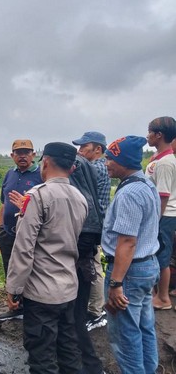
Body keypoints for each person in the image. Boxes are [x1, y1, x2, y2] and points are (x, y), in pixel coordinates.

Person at [6, 142, 88, 374]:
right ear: (71, 167)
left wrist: (14, 288)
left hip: (42, 293)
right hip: (68, 288)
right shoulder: (79, 197)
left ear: (46, 162)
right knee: (68, 350)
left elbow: (23, 248)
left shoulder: (38, 197)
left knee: (42, 356)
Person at [102, 135, 160, 373]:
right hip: (147, 267)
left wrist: (116, 283)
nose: (106, 164)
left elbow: (127, 242)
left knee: (125, 336)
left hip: (128, 273)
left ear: (123, 161)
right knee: (145, 327)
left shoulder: (129, 194)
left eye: (110, 159)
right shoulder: (146, 184)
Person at [0, 139, 42, 322]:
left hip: (29, 234)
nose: (22, 156)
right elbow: (4, 203)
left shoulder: (40, 176)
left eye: (26, 152)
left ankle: (31, 306)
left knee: (29, 269)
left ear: (34, 154)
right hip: (7, 231)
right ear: (12, 156)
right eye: (18, 152)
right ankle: (15, 306)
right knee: (10, 268)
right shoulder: (9, 174)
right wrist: (1, 226)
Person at [72, 131, 111, 331]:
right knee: (93, 263)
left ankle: (96, 311)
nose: (79, 152)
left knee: (93, 264)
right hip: (97, 223)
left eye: (83, 147)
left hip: (93, 224)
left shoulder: (95, 168)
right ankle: (94, 307)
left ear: (97, 149)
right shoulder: (98, 166)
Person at [145, 116, 176, 310]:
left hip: (164, 215)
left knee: (162, 257)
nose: (147, 136)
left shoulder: (165, 163)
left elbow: (162, 195)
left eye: (150, 132)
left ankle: (163, 297)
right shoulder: (160, 159)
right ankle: (157, 293)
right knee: (158, 254)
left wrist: (155, 220)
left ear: (159, 135)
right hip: (162, 214)